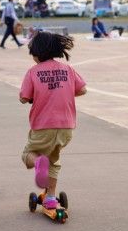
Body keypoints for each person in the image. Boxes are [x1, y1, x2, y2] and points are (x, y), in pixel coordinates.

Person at [19, 31, 87, 210]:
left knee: (29, 154)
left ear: (37, 53)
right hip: (66, 127)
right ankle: (50, 197)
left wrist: (33, 97)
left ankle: (38, 163)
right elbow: (82, 90)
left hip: (43, 126)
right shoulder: (68, 69)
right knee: (54, 161)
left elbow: (24, 97)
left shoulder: (33, 72)